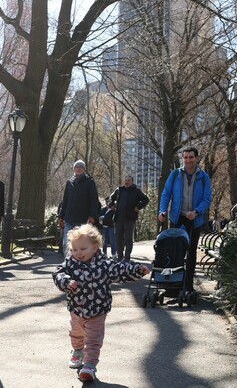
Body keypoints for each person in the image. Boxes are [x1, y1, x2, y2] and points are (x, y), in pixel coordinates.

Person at [52, 224, 149, 381]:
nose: (78, 253)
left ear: (95, 246)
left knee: (93, 339)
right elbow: (58, 274)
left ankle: (89, 365)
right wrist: (66, 282)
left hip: (98, 310)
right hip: (77, 309)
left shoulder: (104, 264)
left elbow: (120, 270)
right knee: (76, 333)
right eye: (75, 249)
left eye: (83, 249)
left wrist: (137, 270)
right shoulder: (70, 263)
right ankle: (77, 351)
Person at [158, 146, 212, 292]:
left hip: (195, 219)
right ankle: (173, 285)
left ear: (196, 158)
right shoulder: (175, 174)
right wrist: (162, 211)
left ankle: (188, 285)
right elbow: (166, 194)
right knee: (174, 250)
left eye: (191, 157)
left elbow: (207, 199)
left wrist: (196, 212)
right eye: (185, 157)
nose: (188, 160)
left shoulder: (204, 177)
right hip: (177, 217)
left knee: (191, 251)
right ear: (183, 159)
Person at [57, 160, 100, 257]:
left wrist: (92, 215)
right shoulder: (69, 183)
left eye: (81, 167)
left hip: (83, 220)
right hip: (69, 219)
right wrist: (61, 216)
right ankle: (68, 266)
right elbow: (65, 201)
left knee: (81, 245)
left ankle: (79, 266)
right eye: (77, 167)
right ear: (74, 169)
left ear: (84, 169)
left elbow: (94, 201)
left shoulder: (89, 182)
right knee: (67, 244)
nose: (78, 168)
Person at [109, 175, 149, 262]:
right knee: (118, 238)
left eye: (129, 180)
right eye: (126, 180)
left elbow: (146, 199)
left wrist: (138, 207)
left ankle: (127, 258)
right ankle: (120, 257)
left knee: (128, 239)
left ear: (132, 181)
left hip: (130, 219)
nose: (127, 182)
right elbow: (110, 198)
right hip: (118, 218)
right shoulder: (119, 190)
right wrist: (111, 205)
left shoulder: (136, 191)